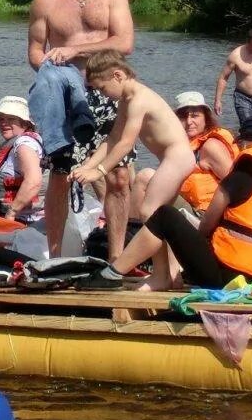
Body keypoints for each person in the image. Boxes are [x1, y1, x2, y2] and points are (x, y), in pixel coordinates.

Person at [26, 0, 135, 257]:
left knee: (118, 177)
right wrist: (51, 68)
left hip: (110, 91)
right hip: (64, 97)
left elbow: (124, 42)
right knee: (60, 176)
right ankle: (55, 257)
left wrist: (75, 51)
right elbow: (34, 51)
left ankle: (116, 259)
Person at [137, 115, 252, 290]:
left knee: (165, 215)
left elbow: (205, 227)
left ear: (246, 145)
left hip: (226, 275)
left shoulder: (245, 172)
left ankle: (116, 272)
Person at [71, 52, 198, 281]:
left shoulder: (139, 99)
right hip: (171, 158)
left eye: (102, 88)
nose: (102, 95)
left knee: (150, 213)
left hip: (178, 157)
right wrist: (87, 165)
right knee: (160, 217)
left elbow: (126, 143)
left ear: (117, 75)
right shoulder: (125, 101)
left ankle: (160, 276)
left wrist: (98, 172)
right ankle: (171, 274)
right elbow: (112, 139)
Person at [0, 96, 45, 224]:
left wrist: (11, 213)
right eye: (1, 119)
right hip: (13, 211)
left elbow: (34, 182)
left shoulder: (24, 146)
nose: (4, 123)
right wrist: (0, 152)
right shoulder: (23, 140)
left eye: (11, 119)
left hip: (26, 219)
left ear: (25, 122)